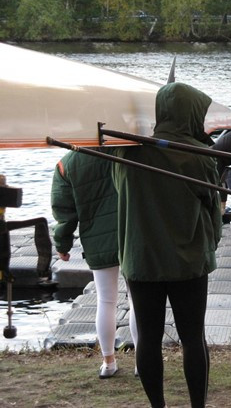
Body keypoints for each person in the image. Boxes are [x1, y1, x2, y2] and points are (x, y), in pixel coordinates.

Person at [112, 82, 222, 408]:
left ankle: (157, 406)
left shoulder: (125, 151)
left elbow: (119, 189)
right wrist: (212, 240)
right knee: (193, 338)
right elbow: (212, 207)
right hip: (188, 261)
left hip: (140, 258)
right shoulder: (199, 157)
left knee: (147, 339)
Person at [51, 152, 138, 379]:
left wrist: (62, 243)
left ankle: (108, 362)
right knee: (138, 300)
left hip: (97, 239)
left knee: (106, 300)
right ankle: (142, 361)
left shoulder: (67, 164)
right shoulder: (126, 151)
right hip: (133, 235)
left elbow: (64, 212)